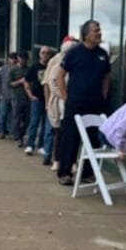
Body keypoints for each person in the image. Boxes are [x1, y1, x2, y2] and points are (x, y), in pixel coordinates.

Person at [55, 21, 111, 185]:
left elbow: (106, 77)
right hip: (75, 104)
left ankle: (87, 173)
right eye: (95, 30)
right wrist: (66, 98)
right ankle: (65, 173)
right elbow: (59, 77)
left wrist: (104, 95)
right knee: (70, 139)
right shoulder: (74, 53)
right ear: (86, 35)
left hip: (96, 105)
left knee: (94, 139)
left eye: (99, 30)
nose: (99, 33)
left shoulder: (102, 54)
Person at [43, 36, 77, 168]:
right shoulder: (56, 62)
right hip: (58, 102)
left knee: (71, 133)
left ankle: (71, 161)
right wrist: (49, 101)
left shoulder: (77, 64)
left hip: (72, 101)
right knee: (57, 132)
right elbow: (48, 82)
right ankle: (54, 158)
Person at [23, 45, 52, 155]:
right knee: (34, 122)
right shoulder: (34, 67)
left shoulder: (51, 67)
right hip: (37, 99)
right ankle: (30, 145)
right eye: (43, 52)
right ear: (39, 54)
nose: (45, 55)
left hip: (49, 100)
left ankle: (41, 145)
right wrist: (30, 95)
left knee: (46, 124)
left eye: (47, 53)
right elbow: (26, 81)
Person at [10, 52, 30, 148]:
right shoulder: (13, 70)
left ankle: (22, 134)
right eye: (22, 59)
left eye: (25, 59)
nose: (23, 61)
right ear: (18, 58)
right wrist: (20, 81)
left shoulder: (28, 69)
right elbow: (10, 84)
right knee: (16, 118)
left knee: (27, 119)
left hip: (27, 97)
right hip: (16, 97)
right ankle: (17, 138)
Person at [0, 52, 18, 139]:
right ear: (9, 59)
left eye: (15, 58)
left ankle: (12, 132)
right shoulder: (3, 69)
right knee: (3, 115)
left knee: (13, 115)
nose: (13, 60)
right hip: (4, 96)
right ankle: (2, 131)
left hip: (15, 96)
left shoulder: (18, 68)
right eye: (11, 58)